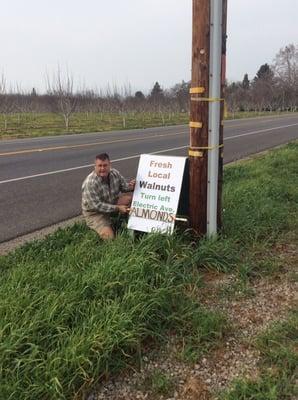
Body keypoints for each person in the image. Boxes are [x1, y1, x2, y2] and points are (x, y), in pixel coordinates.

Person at [82, 153, 135, 240]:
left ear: (110, 165)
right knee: (109, 237)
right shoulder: (90, 183)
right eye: (99, 166)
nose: (102, 168)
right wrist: (118, 208)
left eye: (105, 165)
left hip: (111, 202)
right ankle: (101, 224)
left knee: (129, 199)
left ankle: (125, 220)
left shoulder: (114, 173)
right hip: (95, 213)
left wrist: (132, 186)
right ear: (95, 166)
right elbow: (97, 206)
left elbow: (124, 187)